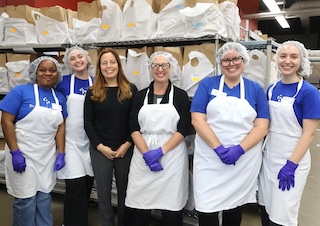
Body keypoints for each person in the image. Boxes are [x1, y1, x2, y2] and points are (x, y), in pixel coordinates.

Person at [190, 42, 270, 226]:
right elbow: (197, 120)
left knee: (234, 206)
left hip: (242, 160)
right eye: (226, 59)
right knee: (206, 206)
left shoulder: (255, 89)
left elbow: (262, 126)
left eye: (236, 58)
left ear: (244, 60)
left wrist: (239, 150)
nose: (231, 63)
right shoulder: (207, 84)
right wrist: (218, 148)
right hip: (210, 158)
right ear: (219, 62)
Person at [124, 51, 191, 226]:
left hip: (172, 155)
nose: (160, 69)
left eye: (164, 65)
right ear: (150, 69)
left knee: (171, 203)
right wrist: (147, 154)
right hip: (143, 151)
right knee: (140, 200)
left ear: (171, 68)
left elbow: (183, 128)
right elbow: (133, 126)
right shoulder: (140, 95)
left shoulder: (180, 96)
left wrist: (161, 151)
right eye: (156, 65)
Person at [0, 56, 67, 226]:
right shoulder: (21, 91)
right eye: (42, 70)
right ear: (35, 72)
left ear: (57, 74)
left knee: (44, 197)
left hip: (46, 155)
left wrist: (61, 153)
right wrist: (15, 152)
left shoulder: (59, 97)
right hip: (24, 153)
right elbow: (6, 121)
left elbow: (61, 127)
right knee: (26, 200)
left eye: (52, 70)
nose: (47, 73)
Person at [258, 41, 320, 226]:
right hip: (269, 158)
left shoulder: (308, 93)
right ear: (277, 60)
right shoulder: (272, 88)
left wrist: (291, 165)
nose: (287, 61)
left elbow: (309, 134)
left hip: (293, 159)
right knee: (267, 209)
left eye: (294, 57)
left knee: (283, 215)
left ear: (301, 61)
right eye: (283, 56)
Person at [84, 48, 137, 226]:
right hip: (101, 149)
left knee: (125, 191)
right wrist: (100, 147)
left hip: (125, 148)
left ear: (118, 65)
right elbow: (88, 123)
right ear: (99, 67)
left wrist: (127, 144)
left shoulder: (130, 90)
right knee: (104, 194)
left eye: (112, 62)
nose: (109, 66)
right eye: (104, 62)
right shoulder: (92, 92)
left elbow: (135, 121)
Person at [55, 46, 94, 226]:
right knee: (75, 185)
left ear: (87, 58)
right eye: (73, 58)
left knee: (86, 184)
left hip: (92, 143)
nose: (77, 60)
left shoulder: (97, 82)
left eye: (80, 57)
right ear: (68, 63)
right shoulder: (63, 83)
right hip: (70, 141)